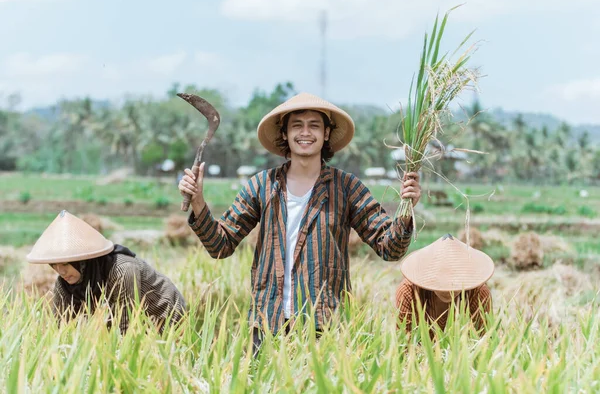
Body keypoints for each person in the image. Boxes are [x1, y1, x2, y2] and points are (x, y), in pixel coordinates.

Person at [178, 92, 421, 350]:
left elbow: (389, 248)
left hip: (324, 324)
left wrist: (406, 209)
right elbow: (220, 245)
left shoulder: (346, 187)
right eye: (297, 125)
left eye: (314, 125)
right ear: (284, 133)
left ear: (327, 133)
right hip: (267, 323)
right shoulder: (262, 185)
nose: (305, 132)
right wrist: (198, 202)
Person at [26, 210, 186, 334]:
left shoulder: (122, 270)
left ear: (81, 260)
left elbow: (126, 327)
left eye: (66, 264)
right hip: (124, 316)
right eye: (54, 265)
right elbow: (61, 327)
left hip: (164, 314)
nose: (60, 271)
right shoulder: (65, 282)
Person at [395, 233, 494, 337]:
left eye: (455, 280)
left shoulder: (478, 293)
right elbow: (404, 342)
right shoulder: (408, 291)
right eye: (441, 280)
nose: (448, 290)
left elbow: (484, 341)